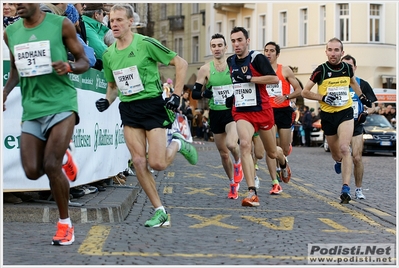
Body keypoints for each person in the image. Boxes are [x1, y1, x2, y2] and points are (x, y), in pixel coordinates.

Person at [95, 4, 198, 228]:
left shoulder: (145, 43)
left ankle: (179, 144)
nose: (115, 24)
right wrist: (108, 100)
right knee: (139, 161)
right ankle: (159, 211)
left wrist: (178, 95)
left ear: (131, 22)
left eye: (120, 20)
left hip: (152, 105)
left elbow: (181, 63)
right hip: (129, 109)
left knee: (157, 163)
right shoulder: (109, 55)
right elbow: (113, 86)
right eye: (112, 20)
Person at [3, 3, 90, 245]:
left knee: (51, 165)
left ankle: (65, 225)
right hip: (32, 108)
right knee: (32, 171)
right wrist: (5, 91)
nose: (17, 4)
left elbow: (85, 61)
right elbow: (15, 72)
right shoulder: (10, 33)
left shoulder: (60, 25)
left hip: (62, 103)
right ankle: (64, 159)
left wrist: (70, 66)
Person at [301, 37, 372, 204]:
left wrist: (362, 97)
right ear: (326, 52)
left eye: (336, 50)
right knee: (336, 154)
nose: (333, 53)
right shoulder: (321, 70)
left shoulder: (347, 68)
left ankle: (346, 188)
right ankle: (339, 161)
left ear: (342, 52)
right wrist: (323, 97)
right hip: (328, 115)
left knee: (344, 148)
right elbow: (304, 92)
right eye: (330, 50)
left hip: (345, 112)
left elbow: (353, 83)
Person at [226, 27, 291, 207]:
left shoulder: (257, 58)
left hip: (262, 110)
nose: (236, 44)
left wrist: (250, 78)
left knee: (271, 152)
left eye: (239, 40)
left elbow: (274, 79)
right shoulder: (230, 61)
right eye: (233, 41)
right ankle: (252, 192)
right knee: (245, 145)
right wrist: (232, 96)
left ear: (247, 41)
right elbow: (235, 82)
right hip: (241, 111)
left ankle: (283, 161)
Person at [192, 33, 243, 199]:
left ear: (226, 47)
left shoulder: (233, 65)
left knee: (231, 144)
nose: (217, 49)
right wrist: (204, 93)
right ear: (211, 48)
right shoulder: (205, 69)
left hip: (232, 112)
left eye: (220, 45)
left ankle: (238, 163)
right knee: (223, 153)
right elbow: (195, 93)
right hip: (215, 113)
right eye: (213, 46)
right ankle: (232, 183)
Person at [263, 41, 302, 194]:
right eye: (266, 50)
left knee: (283, 149)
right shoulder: (260, 71)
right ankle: (274, 182)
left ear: (277, 54)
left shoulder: (284, 70)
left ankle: (283, 163)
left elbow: (299, 90)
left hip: (284, 110)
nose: (268, 53)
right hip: (267, 111)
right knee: (270, 148)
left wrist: (286, 96)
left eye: (272, 51)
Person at [341, 54, 377, 199]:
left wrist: (365, 112)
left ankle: (358, 189)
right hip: (341, 124)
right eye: (345, 66)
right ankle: (338, 162)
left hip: (356, 124)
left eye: (350, 66)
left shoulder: (363, 84)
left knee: (357, 157)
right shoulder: (338, 82)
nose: (348, 69)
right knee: (341, 154)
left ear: (355, 68)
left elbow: (373, 105)